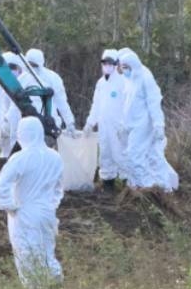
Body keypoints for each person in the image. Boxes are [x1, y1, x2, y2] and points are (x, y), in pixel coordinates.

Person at [0, 116, 64, 289]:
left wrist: (9, 206)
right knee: (47, 251)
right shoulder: (55, 157)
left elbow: (2, 185)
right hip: (47, 212)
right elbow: (59, 187)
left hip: (24, 213)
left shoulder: (20, 158)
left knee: (26, 252)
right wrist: (51, 205)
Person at [118, 50, 179, 192]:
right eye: (123, 67)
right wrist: (123, 124)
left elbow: (154, 103)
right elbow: (127, 104)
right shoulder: (129, 80)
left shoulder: (145, 77)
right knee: (146, 156)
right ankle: (155, 185)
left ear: (133, 65)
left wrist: (159, 124)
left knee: (135, 155)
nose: (123, 70)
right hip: (133, 125)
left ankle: (147, 188)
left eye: (126, 67)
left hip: (144, 125)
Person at [83, 49, 126, 192]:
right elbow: (96, 105)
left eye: (110, 63)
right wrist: (90, 123)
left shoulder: (122, 82)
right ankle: (108, 185)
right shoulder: (100, 83)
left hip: (119, 127)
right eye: (104, 63)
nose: (107, 66)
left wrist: (125, 125)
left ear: (116, 65)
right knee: (105, 154)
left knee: (121, 155)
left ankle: (129, 185)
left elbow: (128, 106)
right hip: (104, 127)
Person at [25, 48, 76, 132]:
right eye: (30, 65)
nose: (32, 68)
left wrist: (69, 122)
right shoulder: (23, 78)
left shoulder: (52, 78)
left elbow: (61, 101)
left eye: (35, 65)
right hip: (27, 126)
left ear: (40, 64)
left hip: (50, 126)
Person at [0, 52, 24, 158]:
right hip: (4, 131)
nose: (10, 70)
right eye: (7, 67)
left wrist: (6, 125)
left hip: (20, 130)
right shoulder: (0, 82)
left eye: (13, 67)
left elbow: (16, 109)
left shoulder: (24, 82)